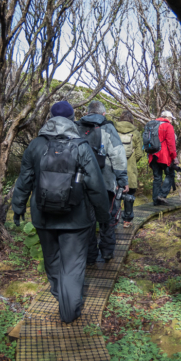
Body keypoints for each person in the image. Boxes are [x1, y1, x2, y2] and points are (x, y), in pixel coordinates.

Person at [11, 101, 109, 323]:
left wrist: (18, 208)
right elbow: (96, 186)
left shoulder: (36, 145)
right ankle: (70, 310)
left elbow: (24, 180)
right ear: (73, 118)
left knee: (52, 261)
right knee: (73, 265)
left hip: (43, 217)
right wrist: (103, 218)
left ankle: (60, 296)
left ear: (50, 117)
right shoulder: (81, 146)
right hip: (77, 219)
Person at [76, 100, 128, 263]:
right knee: (108, 215)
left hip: (83, 180)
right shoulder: (108, 127)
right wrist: (122, 179)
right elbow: (118, 155)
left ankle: (90, 254)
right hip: (106, 180)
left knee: (87, 218)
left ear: (87, 112)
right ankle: (106, 251)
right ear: (103, 113)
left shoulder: (77, 127)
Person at [114, 111, 143, 228]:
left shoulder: (113, 130)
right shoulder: (135, 133)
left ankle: (114, 219)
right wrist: (131, 162)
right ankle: (127, 220)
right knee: (129, 194)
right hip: (129, 169)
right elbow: (140, 153)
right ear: (131, 120)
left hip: (115, 169)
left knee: (115, 195)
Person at [148, 110, 178, 206]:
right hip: (164, 156)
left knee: (157, 178)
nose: (171, 121)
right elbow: (171, 144)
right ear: (167, 118)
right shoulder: (168, 126)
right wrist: (174, 157)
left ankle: (155, 201)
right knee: (170, 174)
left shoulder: (151, 125)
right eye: (171, 118)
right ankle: (161, 195)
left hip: (152, 155)